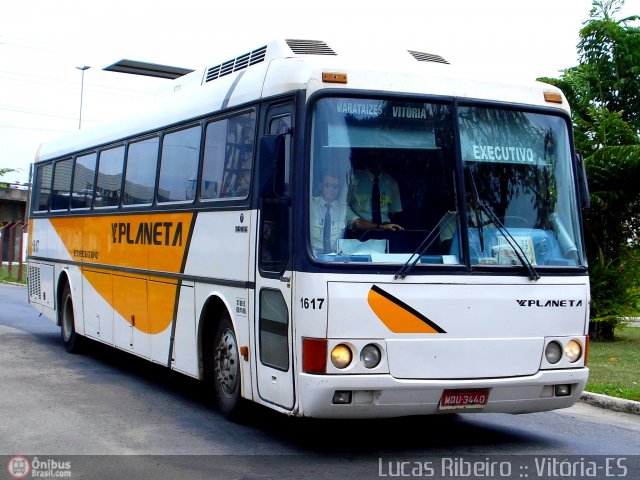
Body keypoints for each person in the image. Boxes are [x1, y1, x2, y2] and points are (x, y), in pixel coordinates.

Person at [347, 155, 403, 232]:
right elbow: (344, 206)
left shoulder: (391, 182)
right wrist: (356, 221)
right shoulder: (354, 179)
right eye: (374, 155)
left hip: (385, 230)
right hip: (360, 233)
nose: (377, 160)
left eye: (380, 155)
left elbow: (395, 212)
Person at [310, 172, 348, 254]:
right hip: (312, 257)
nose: (332, 190)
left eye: (335, 187)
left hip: (336, 258)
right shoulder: (310, 206)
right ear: (321, 186)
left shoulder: (343, 209)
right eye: (328, 186)